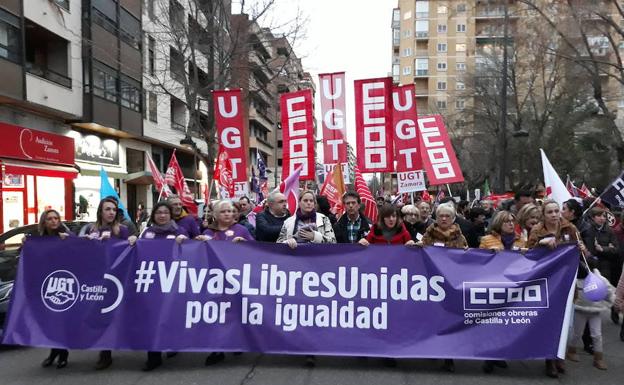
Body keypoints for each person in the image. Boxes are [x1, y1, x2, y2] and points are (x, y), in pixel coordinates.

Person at [276, 190, 335, 368]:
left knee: (313, 310)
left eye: (312, 201)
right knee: (297, 308)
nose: (309, 203)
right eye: (305, 200)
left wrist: (315, 237)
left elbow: (333, 243)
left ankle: (311, 350)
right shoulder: (289, 222)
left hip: (317, 272)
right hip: (294, 271)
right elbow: (278, 244)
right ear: (299, 203)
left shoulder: (323, 220)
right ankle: (297, 344)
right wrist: (287, 243)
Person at [80, 197, 137, 370]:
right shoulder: (91, 229)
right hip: (97, 278)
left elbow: (131, 251)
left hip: (117, 278)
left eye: (113, 209)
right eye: (107, 209)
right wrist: (88, 242)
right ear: (100, 212)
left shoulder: (123, 229)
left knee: (114, 314)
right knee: (99, 314)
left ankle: (111, 349)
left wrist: (133, 240)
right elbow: (79, 251)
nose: (111, 212)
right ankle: (104, 350)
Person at [527, 199, 582, 378]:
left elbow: (583, 254)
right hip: (547, 284)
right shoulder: (537, 230)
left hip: (566, 283)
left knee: (567, 322)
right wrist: (541, 244)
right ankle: (549, 360)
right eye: (549, 212)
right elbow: (528, 255)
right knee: (549, 322)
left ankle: (560, 356)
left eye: (556, 211)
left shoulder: (570, 229)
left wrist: (582, 248)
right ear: (543, 215)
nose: (554, 215)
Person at [139, 202, 188, 371]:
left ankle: (172, 344)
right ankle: (153, 356)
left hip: (172, 280)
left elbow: (190, 253)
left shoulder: (179, 232)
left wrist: (185, 242)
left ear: (170, 215)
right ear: (153, 215)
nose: (162, 215)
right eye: (158, 212)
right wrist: (132, 241)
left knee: (170, 315)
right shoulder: (147, 232)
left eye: (165, 212)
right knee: (151, 318)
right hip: (152, 281)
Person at [420, 203, 467, 373]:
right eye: (441, 216)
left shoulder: (459, 237)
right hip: (431, 283)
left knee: (449, 319)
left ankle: (449, 357)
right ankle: (431, 348)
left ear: (453, 218)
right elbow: (420, 255)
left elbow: (465, 258)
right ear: (436, 218)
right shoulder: (429, 235)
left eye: (448, 216)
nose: (444, 219)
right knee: (433, 318)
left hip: (451, 284)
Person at [478, 210, 525, 374]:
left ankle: (501, 354)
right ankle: (489, 358)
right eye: (507, 222)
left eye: (512, 221)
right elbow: (478, 262)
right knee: (493, 322)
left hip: (514, 288)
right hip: (494, 286)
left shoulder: (521, 240)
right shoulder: (486, 240)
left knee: (507, 322)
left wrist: (525, 253)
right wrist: (489, 255)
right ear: (499, 224)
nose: (511, 224)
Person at [36, 209, 72, 369]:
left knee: (61, 321)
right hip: (45, 284)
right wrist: (25, 245)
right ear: (44, 222)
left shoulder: (66, 235)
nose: (53, 221)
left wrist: (68, 241)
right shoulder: (38, 239)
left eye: (56, 218)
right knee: (49, 321)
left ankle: (62, 355)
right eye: (49, 218)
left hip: (63, 283)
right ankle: (54, 352)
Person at [566, 263, 615, 370]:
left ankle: (598, 358)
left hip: (596, 311)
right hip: (580, 310)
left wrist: (614, 303)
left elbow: (609, 292)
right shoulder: (574, 279)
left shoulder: (599, 279)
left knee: (597, 335)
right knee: (576, 333)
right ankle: (571, 350)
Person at [581, 207, 621, 325]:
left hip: (605, 266)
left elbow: (616, 249)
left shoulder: (609, 231)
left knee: (607, 290)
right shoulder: (588, 229)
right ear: (593, 217)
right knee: (593, 290)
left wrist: (603, 248)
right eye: (600, 216)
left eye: (604, 216)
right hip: (591, 265)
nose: (603, 218)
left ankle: (615, 308)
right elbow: (587, 249)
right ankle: (592, 315)